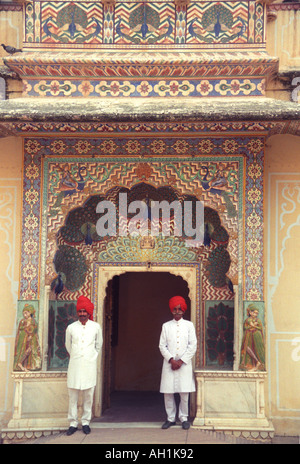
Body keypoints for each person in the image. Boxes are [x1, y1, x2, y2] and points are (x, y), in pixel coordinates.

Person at [65, 295, 102, 435]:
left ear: (88, 312)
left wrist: (91, 357)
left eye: (84, 311)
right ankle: (73, 423)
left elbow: (99, 345)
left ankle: (86, 422)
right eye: (80, 311)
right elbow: (68, 346)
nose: (82, 314)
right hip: (75, 365)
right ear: (77, 312)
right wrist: (77, 355)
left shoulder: (96, 327)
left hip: (89, 366)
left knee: (88, 395)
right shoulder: (71, 328)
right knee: (73, 397)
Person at [159, 295, 197, 430]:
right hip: (169, 364)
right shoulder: (166, 326)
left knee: (184, 392)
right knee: (168, 392)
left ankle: (184, 418)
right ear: (171, 310)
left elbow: (193, 345)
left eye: (179, 309)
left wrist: (181, 361)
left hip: (184, 364)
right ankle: (170, 418)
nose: (177, 311)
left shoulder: (189, 325)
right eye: (175, 309)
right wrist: (171, 360)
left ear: (183, 310)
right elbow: (162, 346)